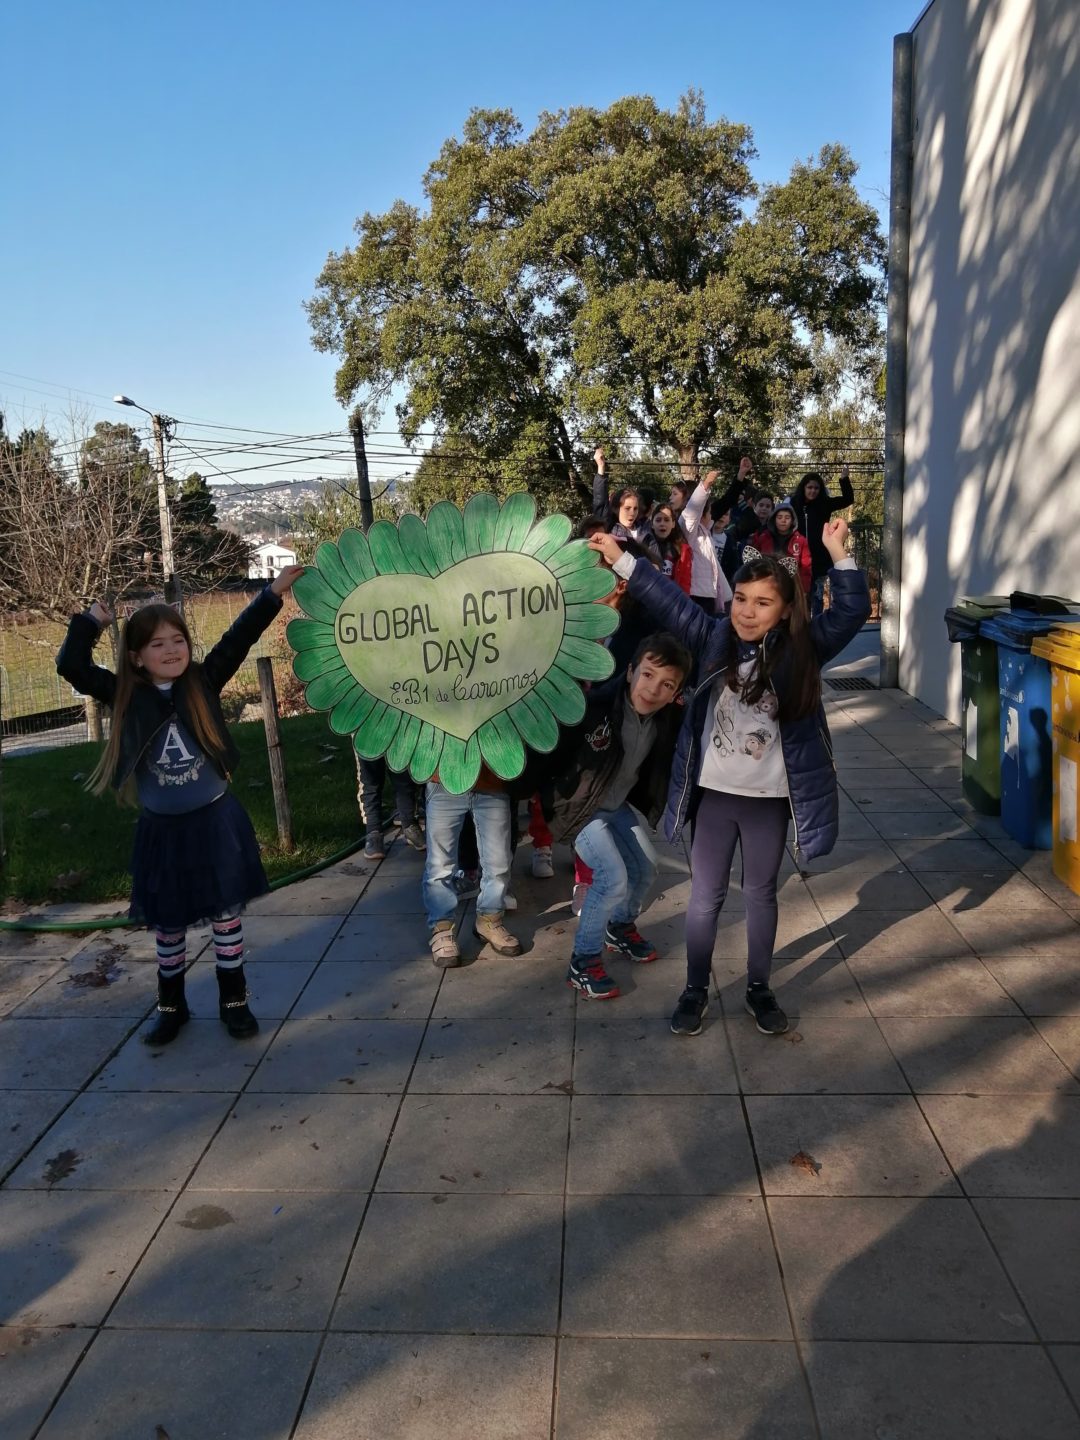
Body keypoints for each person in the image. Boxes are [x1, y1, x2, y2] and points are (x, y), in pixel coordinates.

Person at [588, 521, 869, 1036]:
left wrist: (838, 554)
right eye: (741, 598)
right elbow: (669, 600)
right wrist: (621, 558)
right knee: (705, 897)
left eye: (763, 603)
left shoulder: (804, 648)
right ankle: (695, 988)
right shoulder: (713, 635)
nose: (746, 610)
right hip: (714, 797)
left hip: (767, 800)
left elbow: (851, 613)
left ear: (785, 609)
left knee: (761, 895)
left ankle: (759, 988)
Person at [55, 568, 305, 1045]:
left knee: (225, 921)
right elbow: (72, 667)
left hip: (215, 823)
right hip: (163, 833)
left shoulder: (204, 682)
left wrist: (272, 593)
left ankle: (234, 1003)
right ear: (136, 656)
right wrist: (91, 622)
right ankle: (171, 1007)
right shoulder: (124, 694)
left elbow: (239, 637)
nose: (171, 650)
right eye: (157, 644)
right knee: (168, 928)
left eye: (178, 640)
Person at [527, 633, 693, 999]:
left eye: (667, 685)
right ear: (631, 671)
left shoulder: (666, 719)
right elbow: (552, 744)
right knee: (610, 876)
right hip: (580, 808)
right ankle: (583, 962)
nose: (653, 690)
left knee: (646, 866)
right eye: (648, 675)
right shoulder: (597, 707)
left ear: (676, 692)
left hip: (614, 806)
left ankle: (619, 928)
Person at [424, 767, 521, 967]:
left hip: (492, 779)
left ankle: (490, 919)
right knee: (439, 865)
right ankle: (441, 928)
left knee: (498, 862)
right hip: (443, 779)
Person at [791, 465, 856, 617]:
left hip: (819, 559)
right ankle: (801, 627)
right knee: (800, 596)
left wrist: (844, 479)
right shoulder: (794, 504)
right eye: (810, 487)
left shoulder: (824, 504)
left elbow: (848, 499)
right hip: (799, 558)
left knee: (817, 597)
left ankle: (817, 627)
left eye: (816, 488)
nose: (813, 491)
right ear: (804, 488)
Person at [592, 448, 660, 562]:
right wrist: (601, 468)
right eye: (627, 508)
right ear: (616, 508)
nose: (632, 513)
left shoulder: (647, 533)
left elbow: (658, 563)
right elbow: (600, 503)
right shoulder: (610, 529)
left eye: (635, 508)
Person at [355, 755, 425, 859]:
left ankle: (409, 824)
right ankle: (373, 832)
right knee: (370, 780)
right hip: (367, 740)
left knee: (404, 777)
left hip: (399, 740)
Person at [747, 500, 812, 596]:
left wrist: (804, 589)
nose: (783, 520)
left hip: (791, 586)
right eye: (779, 517)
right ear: (774, 519)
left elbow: (806, 567)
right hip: (766, 584)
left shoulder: (800, 540)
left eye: (787, 517)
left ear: (792, 520)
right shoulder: (763, 537)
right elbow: (754, 562)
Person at [650, 504, 693, 593]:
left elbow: (685, 583)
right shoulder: (644, 544)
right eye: (658, 520)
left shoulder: (682, 551)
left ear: (673, 524)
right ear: (652, 525)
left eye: (666, 520)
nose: (662, 523)